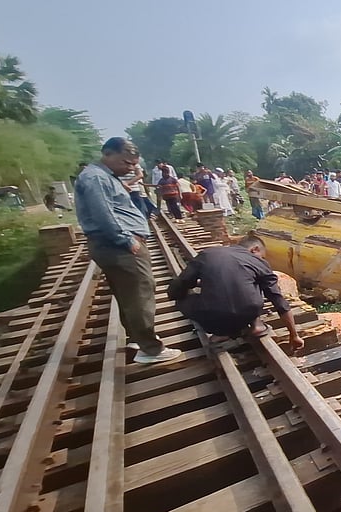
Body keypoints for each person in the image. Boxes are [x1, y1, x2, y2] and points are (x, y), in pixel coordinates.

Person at [74, 138, 182, 365]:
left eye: (133, 164)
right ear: (107, 154)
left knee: (128, 294)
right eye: (126, 162)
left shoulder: (103, 176)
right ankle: (150, 349)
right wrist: (126, 240)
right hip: (118, 245)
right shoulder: (95, 177)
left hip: (113, 245)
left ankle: (137, 338)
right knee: (140, 294)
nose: (130, 168)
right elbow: (103, 214)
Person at [167, 233, 305, 350]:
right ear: (255, 249)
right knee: (252, 283)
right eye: (262, 256)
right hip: (248, 311)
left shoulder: (208, 254)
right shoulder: (259, 263)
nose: (262, 260)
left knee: (182, 299)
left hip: (211, 317)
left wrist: (174, 295)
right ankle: (257, 325)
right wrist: (294, 335)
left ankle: (222, 333)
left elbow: (183, 282)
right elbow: (278, 300)